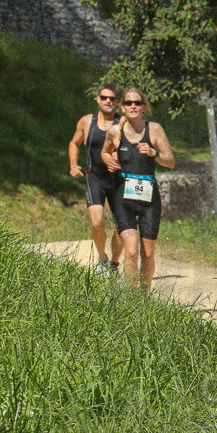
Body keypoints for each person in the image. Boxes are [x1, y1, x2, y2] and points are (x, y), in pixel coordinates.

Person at [101, 88, 175, 290]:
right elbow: (105, 152)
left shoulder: (155, 130)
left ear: (144, 107)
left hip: (149, 196)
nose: (132, 106)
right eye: (128, 103)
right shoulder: (115, 132)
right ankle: (131, 302)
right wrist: (110, 162)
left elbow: (170, 161)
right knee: (131, 251)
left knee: (148, 255)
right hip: (122, 196)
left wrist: (154, 153)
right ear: (122, 107)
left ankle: (143, 300)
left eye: (137, 103)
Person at [68, 83, 123, 274]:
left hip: (119, 181)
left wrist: (120, 156)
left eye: (112, 98)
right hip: (95, 178)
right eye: (104, 97)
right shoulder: (86, 122)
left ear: (117, 101)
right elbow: (74, 143)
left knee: (120, 228)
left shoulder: (123, 123)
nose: (108, 101)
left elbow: (132, 147)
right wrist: (74, 164)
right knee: (97, 222)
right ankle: (102, 259)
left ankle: (114, 265)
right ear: (97, 99)